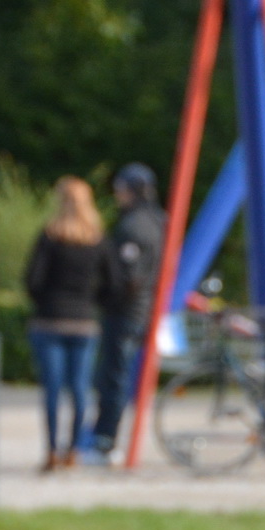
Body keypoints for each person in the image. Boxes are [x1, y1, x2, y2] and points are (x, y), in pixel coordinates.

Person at [24, 176, 107, 471]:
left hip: (50, 320)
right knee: (80, 389)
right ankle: (73, 450)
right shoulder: (97, 239)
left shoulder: (49, 237)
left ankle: (50, 450)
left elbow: (32, 280)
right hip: (84, 322)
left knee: (52, 390)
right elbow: (112, 283)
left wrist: (44, 302)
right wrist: (93, 302)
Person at [89, 162, 165, 462]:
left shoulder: (132, 226)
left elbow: (129, 279)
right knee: (119, 376)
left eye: (120, 189)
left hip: (126, 312)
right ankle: (108, 438)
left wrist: (104, 294)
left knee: (113, 377)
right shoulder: (161, 221)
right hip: (148, 310)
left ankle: (106, 441)